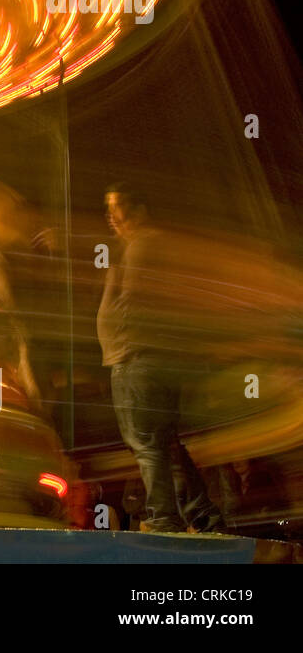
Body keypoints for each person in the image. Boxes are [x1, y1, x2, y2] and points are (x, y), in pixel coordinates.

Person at [97, 183, 226, 534]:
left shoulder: (142, 244)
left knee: (147, 444)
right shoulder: (142, 245)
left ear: (140, 210)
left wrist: (122, 337)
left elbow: (135, 300)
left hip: (135, 359)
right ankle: (203, 515)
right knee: (164, 444)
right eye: (108, 207)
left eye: (119, 205)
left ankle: (162, 517)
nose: (111, 215)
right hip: (147, 358)